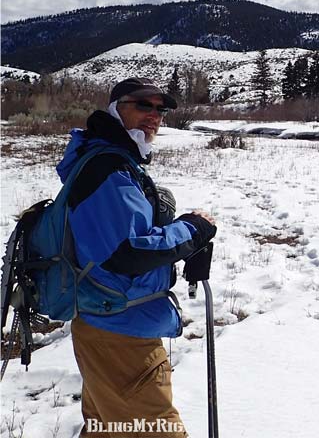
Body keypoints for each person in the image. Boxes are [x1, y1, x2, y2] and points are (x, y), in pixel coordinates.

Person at [58, 77, 216, 437]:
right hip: (123, 331)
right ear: (117, 108)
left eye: (160, 109)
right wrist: (193, 229)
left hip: (105, 320)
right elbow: (127, 252)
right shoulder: (110, 171)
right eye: (143, 105)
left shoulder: (108, 161)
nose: (154, 115)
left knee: (106, 429)